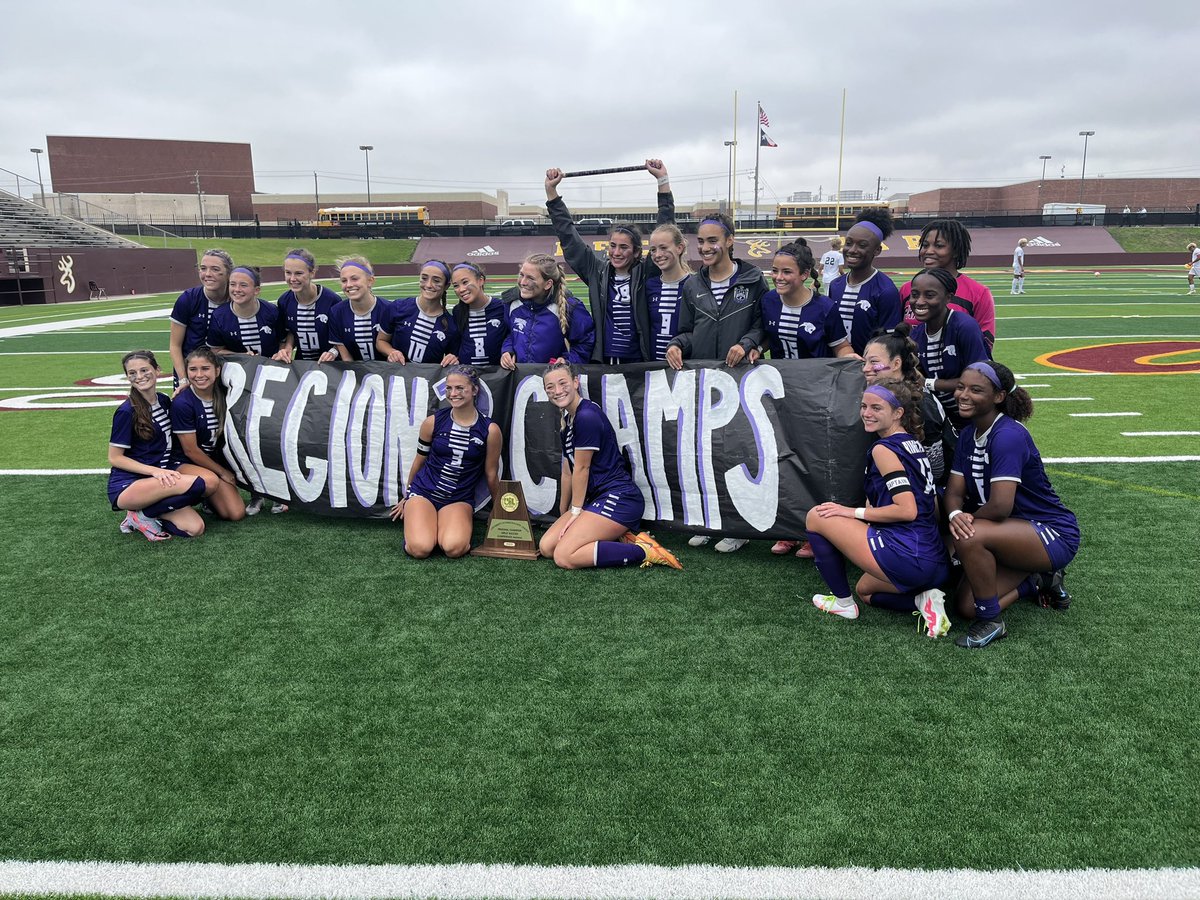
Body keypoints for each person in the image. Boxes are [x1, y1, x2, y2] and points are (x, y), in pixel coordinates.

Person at [944, 361, 1080, 649]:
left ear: (998, 397)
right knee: (968, 606)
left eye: (976, 390)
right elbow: (953, 492)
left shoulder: (1007, 435)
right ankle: (1039, 581)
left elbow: (1000, 507)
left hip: (1049, 533)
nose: (963, 395)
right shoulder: (969, 433)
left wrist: (965, 523)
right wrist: (955, 513)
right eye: (960, 387)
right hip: (1006, 534)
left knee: (970, 535)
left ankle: (993, 623)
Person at [806, 379, 952, 638]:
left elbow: (907, 510)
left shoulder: (883, 449)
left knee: (816, 516)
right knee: (866, 591)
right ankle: (924, 601)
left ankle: (842, 603)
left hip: (908, 553)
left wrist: (852, 513)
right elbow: (931, 506)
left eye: (876, 408)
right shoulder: (913, 443)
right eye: (864, 406)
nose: (866, 413)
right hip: (933, 558)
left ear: (898, 413)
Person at [666, 211, 768, 553]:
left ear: (729, 241)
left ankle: (739, 525)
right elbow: (687, 331)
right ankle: (711, 520)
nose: (706, 247)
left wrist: (748, 344)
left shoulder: (753, 280)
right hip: (704, 381)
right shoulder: (693, 284)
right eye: (701, 241)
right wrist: (677, 345)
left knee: (739, 453)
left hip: (740, 381)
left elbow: (763, 326)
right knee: (705, 453)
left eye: (713, 240)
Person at [753, 238, 852, 558]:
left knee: (815, 464)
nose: (778, 277)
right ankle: (789, 529)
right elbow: (768, 335)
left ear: (806, 274)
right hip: (779, 397)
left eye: (787, 272)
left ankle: (815, 531)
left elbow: (841, 348)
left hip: (815, 398)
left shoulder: (824, 308)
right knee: (782, 461)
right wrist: (755, 347)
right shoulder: (769, 301)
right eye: (775, 271)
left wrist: (859, 361)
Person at [538, 360, 681, 570]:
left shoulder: (586, 416)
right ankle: (620, 536)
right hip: (596, 499)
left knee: (564, 556)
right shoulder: (568, 421)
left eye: (563, 383)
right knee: (547, 547)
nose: (557, 391)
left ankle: (643, 550)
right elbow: (567, 470)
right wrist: (564, 511)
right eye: (550, 387)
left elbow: (582, 469)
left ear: (576, 382)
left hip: (620, 498)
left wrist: (575, 512)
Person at [544, 160, 674, 363]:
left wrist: (662, 181)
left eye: (624, 247)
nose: (616, 252)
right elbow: (568, 235)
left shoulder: (646, 273)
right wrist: (552, 193)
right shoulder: (598, 272)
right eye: (613, 246)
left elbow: (666, 229)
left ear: (636, 252)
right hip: (604, 362)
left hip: (638, 363)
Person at [390, 365, 502, 558]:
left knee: (454, 548)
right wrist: (408, 496)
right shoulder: (432, 422)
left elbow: (491, 473)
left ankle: (442, 526)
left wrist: (499, 509)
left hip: (458, 498)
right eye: (449, 388)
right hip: (424, 492)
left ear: (474, 390)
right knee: (420, 549)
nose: (453, 393)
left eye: (460, 388)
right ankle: (423, 526)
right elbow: (419, 461)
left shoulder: (490, 430)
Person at [107, 350, 218, 540]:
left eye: (144, 370)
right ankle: (140, 515)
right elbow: (114, 457)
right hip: (131, 483)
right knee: (201, 483)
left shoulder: (164, 401)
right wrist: (155, 471)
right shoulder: (127, 411)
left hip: (161, 477)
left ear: (157, 370)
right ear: (127, 377)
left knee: (195, 528)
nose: (139, 376)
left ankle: (151, 511)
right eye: (132, 373)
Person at [861, 325, 952, 487]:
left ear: (896, 363)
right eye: (864, 362)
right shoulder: (879, 393)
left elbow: (935, 470)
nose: (865, 369)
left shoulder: (923, 404)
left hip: (923, 494)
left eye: (873, 362)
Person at [170, 347, 246, 522]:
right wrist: (222, 472)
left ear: (217, 371)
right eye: (193, 369)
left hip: (210, 459)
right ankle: (171, 501)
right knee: (211, 479)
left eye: (205, 368)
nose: (199, 375)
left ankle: (208, 497)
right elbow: (190, 451)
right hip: (184, 462)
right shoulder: (183, 403)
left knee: (235, 513)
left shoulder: (225, 393)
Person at [909, 268, 990, 430]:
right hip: (942, 421)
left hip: (975, 420)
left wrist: (930, 383)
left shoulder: (964, 326)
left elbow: (980, 379)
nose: (919, 301)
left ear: (948, 297)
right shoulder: (917, 334)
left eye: (929, 295)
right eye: (915, 294)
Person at [899, 219, 997, 352]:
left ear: (956, 251)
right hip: (912, 369)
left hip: (957, 371)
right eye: (925, 245)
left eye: (939, 246)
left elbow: (985, 343)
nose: (928, 251)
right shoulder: (907, 289)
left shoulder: (978, 293)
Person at [826, 208, 903, 355]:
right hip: (835, 367)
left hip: (869, 371)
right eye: (848, 243)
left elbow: (890, 341)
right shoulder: (836, 285)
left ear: (877, 250)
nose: (852, 250)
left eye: (862, 245)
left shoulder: (885, 290)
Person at [499, 254, 595, 368]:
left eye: (530, 278)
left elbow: (586, 342)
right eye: (521, 275)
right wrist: (507, 351)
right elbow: (509, 334)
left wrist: (568, 361)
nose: (523, 282)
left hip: (554, 380)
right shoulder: (512, 303)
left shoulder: (569, 307)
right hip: (520, 379)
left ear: (548, 284)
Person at [168, 249, 232, 389]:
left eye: (215, 269)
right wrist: (183, 379)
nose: (207, 274)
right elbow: (175, 346)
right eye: (203, 268)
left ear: (228, 273)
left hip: (225, 371)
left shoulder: (236, 300)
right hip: (192, 372)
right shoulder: (188, 299)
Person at [377, 260, 459, 365]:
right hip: (397, 378)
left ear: (446, 286)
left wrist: (453, 359)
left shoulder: (451, 325)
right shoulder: (398, 307)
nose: (429, 285)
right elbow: (381, 341)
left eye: (436, 281)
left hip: (427, 380)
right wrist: (392, 352)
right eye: (424, 278)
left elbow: (452, 358)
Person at [274, 248, 340, 362]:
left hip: (330, 366)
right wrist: (288, 348)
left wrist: (332, 352)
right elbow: (290, 331)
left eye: (299, 273)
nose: (293, 279)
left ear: (312, 272)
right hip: (302, 366)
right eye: (288, 273)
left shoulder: (332, 300)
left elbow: (342, 336)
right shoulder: (284, 301)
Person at [321, 256, 392, 362]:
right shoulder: (336, 313)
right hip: (356, 374)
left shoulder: (389, 310)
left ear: (370, 281)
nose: (348, 285)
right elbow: (347, 359)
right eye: (344, 280)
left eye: (354, 279)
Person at [207, 266, 284, 358]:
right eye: (232, 284)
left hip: (270, 369)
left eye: (243, 285)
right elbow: (216, 350)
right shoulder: (219, 316)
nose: (237, 289)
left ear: (256, 290)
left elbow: (283, 341)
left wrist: (280, 353)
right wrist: (241, 356)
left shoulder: (271, 311)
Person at [444, 262, 509, 366]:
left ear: (480, 280)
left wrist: (508, 351)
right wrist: (453, 356)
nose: (461, 289)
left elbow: (511, 337)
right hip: (467, 377)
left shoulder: (501, 307)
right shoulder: (458, 311)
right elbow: (457, 343)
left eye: (465, 282)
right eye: (456, 286)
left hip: (497, 377)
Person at [644, 224, 692, 360]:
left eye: (663, 248)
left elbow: (701, 330)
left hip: (684, 370)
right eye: (653, 250)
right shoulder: (649, 286)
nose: (658, 254)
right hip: (652, 370)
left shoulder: (696, 285)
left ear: (679, 248)